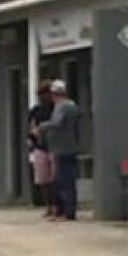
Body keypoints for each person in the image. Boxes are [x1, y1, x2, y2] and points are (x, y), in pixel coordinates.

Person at [39, 80, 83, 222]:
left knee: (63, 180)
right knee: (68, 180)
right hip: (71, 146)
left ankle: (67, 213)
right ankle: (68, 211)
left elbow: (57, 123)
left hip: (61, 148)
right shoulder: (72, 105)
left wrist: (42, 126)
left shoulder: (61, 106)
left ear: (54, 94)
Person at [27, 80, 55, 212]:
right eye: (41, 94)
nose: (43, 97)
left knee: (56, 178)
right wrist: (32, 136)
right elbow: (31, 127)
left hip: (55, 147)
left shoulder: (57, 109)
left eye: (45, 93)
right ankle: (48, 206)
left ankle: (57, 206)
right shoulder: (35, 111)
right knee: (43, 180)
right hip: (39, 147)